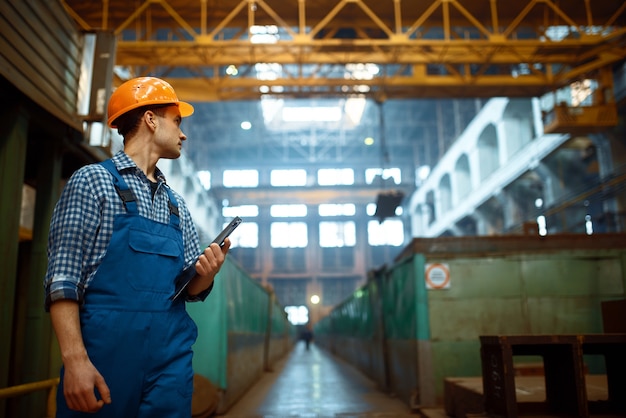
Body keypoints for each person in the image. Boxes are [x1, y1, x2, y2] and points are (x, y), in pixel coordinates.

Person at [44, 76, 230, 417]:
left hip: (169, 362)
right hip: (106, 360)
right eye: (177, 121)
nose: (183, 133)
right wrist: (75, 361)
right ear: (150, 119)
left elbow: (189, 291)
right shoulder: (93, 181)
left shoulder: (177, 206)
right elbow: (63, 279)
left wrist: (207, 273)